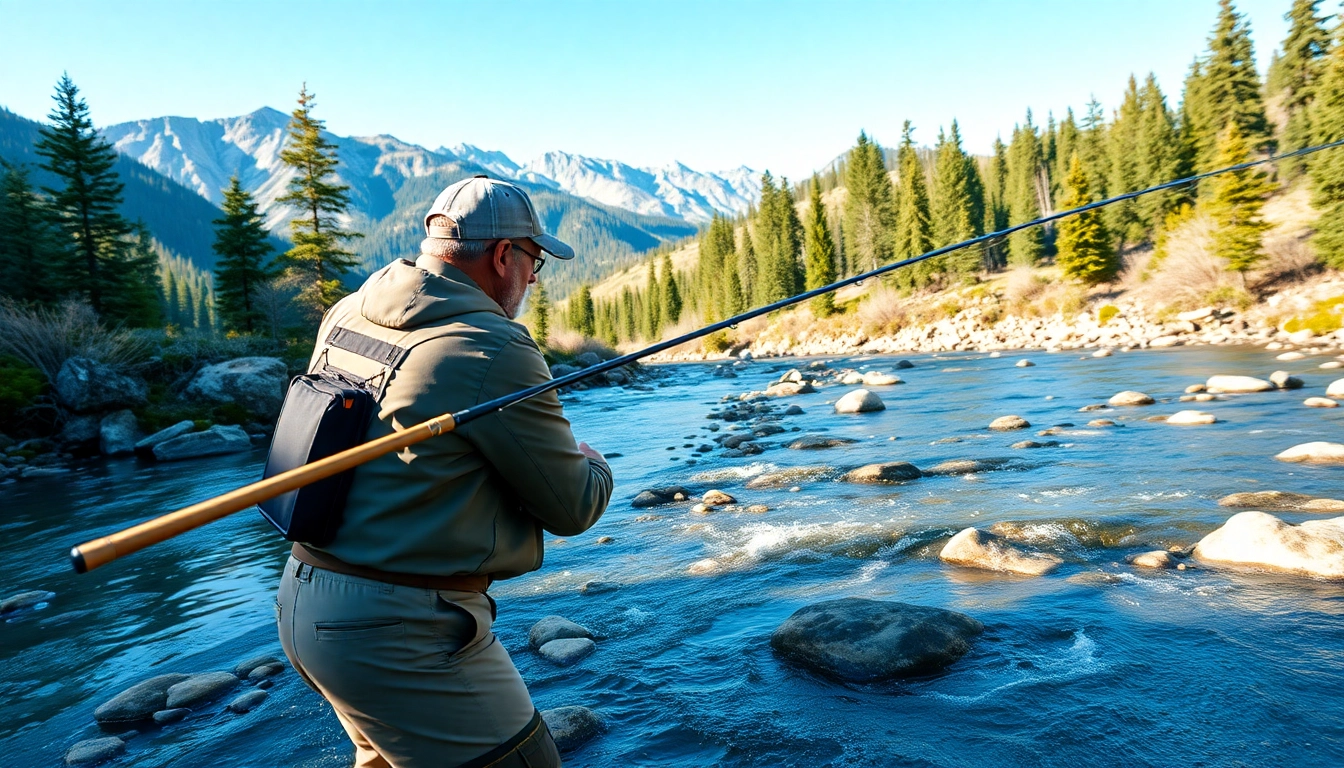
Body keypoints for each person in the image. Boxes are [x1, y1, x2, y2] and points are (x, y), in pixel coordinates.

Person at [275, 175, 613, 768]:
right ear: (503, 255)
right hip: (400, 633)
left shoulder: (348, 312)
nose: (534, 278)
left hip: (307, 604)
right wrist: (594, 465)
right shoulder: (493, 346)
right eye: (534, 260)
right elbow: (573, 507)